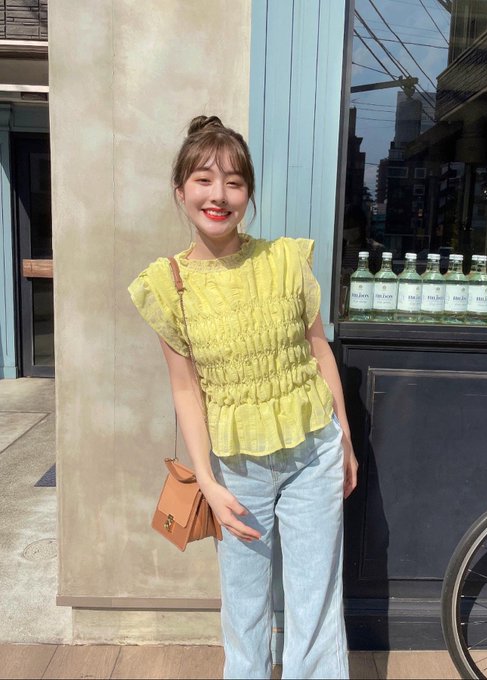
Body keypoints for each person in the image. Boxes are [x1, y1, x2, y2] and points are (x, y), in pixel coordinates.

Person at [128, 115, 358, 680]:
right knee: (245, 605)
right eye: (204, 180)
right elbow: (185, 389)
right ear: (180, 190)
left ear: (248, 194)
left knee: (316, 602)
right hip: (235, 468)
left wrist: (346, 442)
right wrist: (207, 481)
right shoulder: (169, 285)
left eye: (233, 182)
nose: (219, 195)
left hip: (314, 450)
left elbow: (319, 352)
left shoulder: (284, 260)